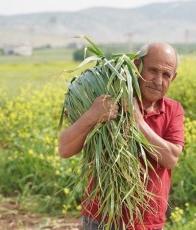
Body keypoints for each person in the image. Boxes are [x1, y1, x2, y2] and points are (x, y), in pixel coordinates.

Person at [58, 42, 185, 230]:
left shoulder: (173, 110)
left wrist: (138, 121)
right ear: (136, 65)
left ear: (173, 78)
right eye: (152, 71)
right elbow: (64, 149)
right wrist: (92, 116)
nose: (158, 81)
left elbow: (171, 158)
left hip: (147, 223)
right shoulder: (109, 101)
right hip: (100, 219)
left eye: (166, 74)